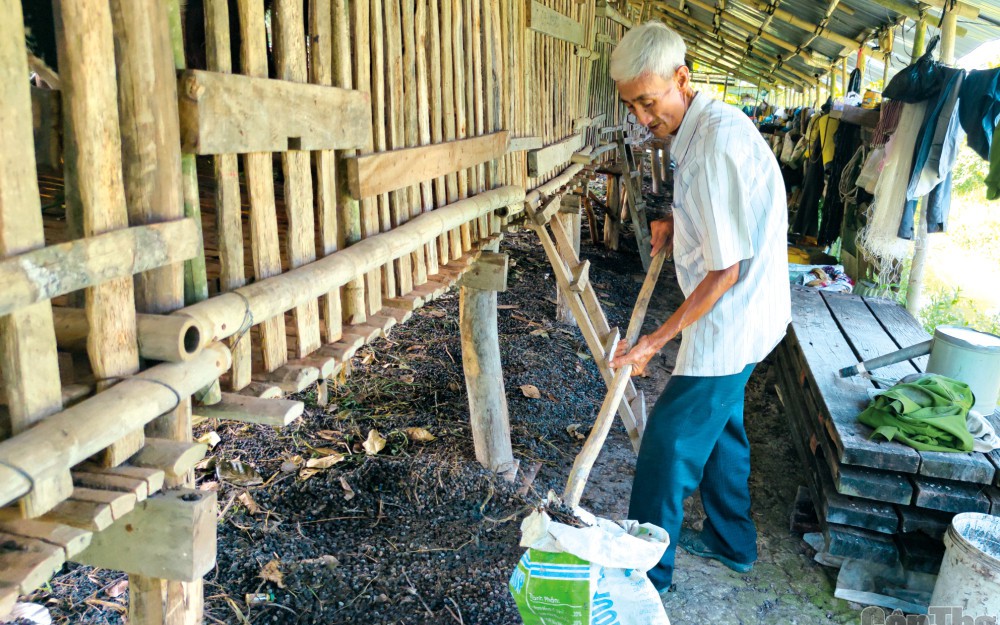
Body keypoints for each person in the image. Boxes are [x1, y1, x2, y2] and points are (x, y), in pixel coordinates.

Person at [607, 21, 792, 596]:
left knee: (667, 443)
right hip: (754, 313)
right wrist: (675, 221)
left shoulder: (712, 144)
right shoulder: (705, 124)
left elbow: (726, 270)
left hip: (732, 318)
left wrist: (654, 341)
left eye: (649, 100)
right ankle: (732, 542)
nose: (641, 117)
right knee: (724, 428)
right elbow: (719, 215)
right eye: (632, 105)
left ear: (681, 78)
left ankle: (645, 577)